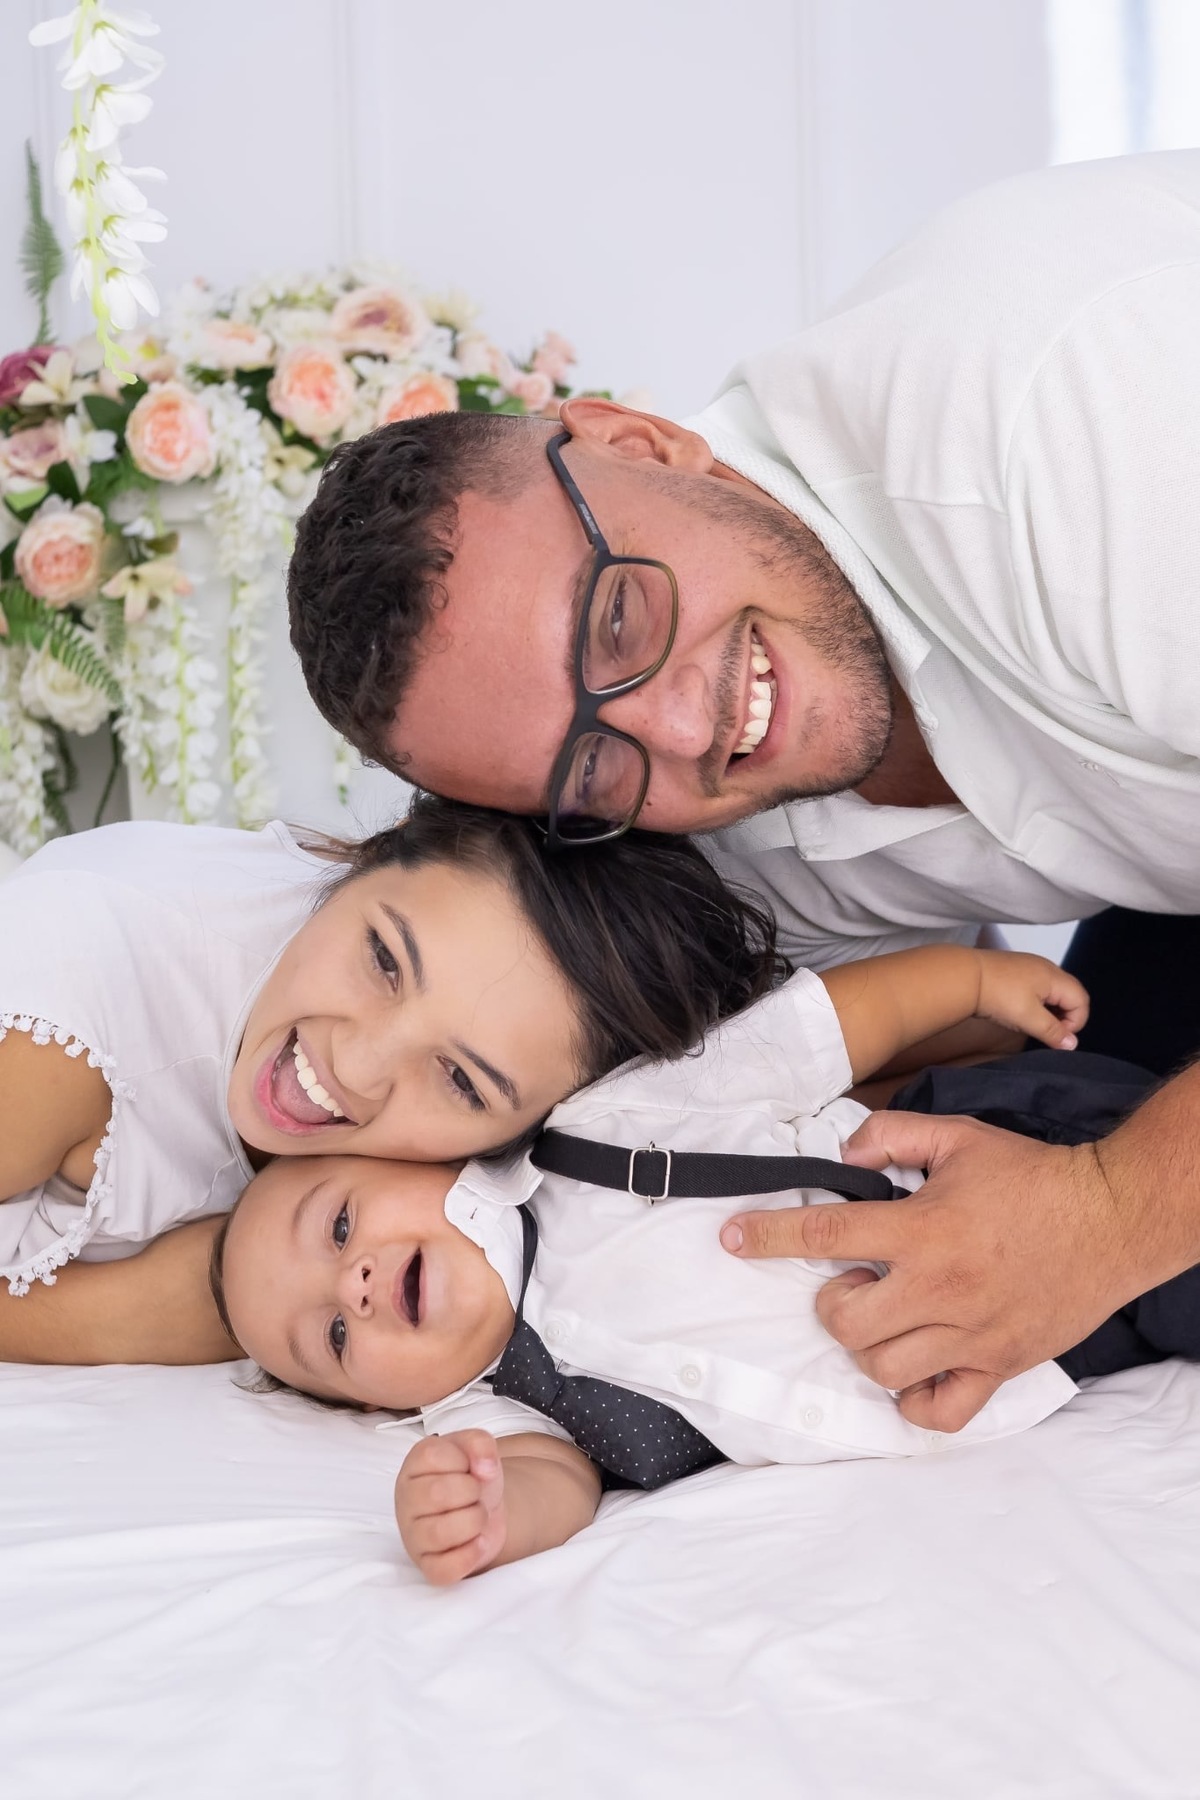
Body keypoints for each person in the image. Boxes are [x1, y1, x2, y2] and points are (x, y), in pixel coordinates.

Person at [285, 150, 1200, 1431]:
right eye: (588, 761)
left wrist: (1107, 1217)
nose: (683, 725)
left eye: (616, 620)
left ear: (641, 442)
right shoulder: (678, 827)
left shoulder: (1061, 418)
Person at [214, 943, 1198, 1587]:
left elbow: (812, 1035)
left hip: (1011, 1152)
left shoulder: (594, 1128)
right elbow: (553, 1483)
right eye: (334, 1338)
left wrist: (973, 986)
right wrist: (484, 1515)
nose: (354, 1288)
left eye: (340, 1227)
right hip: (1023, 1358)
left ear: (415, 1155)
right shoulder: (490, 1412)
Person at [0, 794, 784, 1364]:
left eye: (462, 1082)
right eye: (383, 960)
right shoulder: (58, 1037)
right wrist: (139, 1315)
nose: (356, 1068)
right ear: (367, 853)